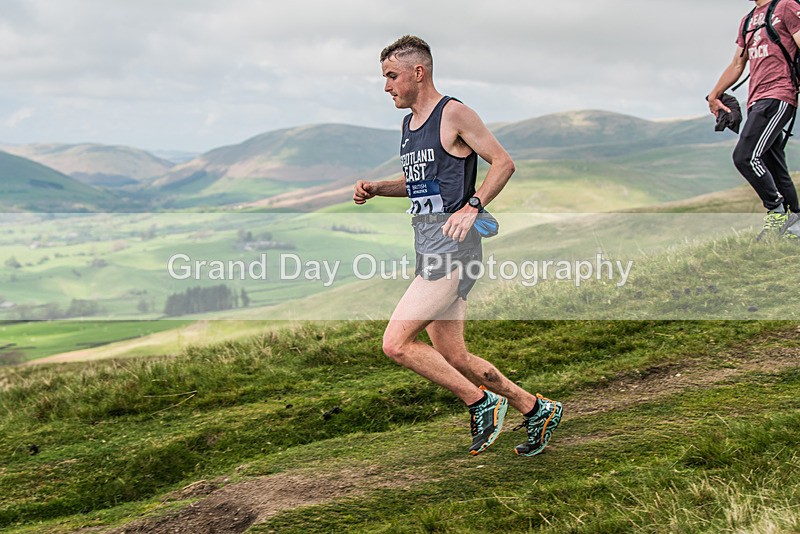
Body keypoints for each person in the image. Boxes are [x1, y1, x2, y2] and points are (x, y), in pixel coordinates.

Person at [353, 35, 562, 457]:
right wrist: (378, 188)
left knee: (395, 344)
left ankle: (482, 402)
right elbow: (419, 184)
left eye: (391, 76)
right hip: (428, 246)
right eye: (384, 78)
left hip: (455, 250)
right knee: (455, 356)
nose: (387, 86)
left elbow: (503, 163)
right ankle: (535, 408)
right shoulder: (409, 125)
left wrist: (473, 205)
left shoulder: (454, 114)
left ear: (418, 72)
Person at [708, 0, 800, 240]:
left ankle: (777, 211)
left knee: (745, 157)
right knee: (774, 164)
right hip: (756, 99)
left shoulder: (786, 7)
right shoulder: (748, 20)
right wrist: (714, 94)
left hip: (779, 95)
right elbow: (738, 64)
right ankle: (796, 228)